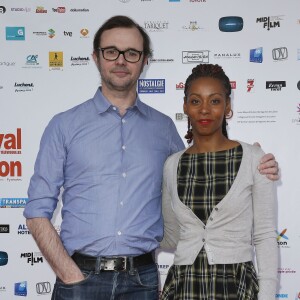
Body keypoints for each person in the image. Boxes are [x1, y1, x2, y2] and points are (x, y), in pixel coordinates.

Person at [23, 16, 279, 300]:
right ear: (96, 57)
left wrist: (253, 161)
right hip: (80, 280)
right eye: (112, 51)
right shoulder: (64, 126)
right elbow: (37, 211)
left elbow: (197, 171)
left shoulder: (164, 128)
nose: (121, 60)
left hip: (142, 282)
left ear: (144, 61)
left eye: (132, 53)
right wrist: (71, 276)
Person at [160, 64, 278, 300]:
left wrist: (266, 294)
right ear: (185, 107)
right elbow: (171, 235)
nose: (204, 109)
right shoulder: (171, 165)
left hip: (235, 284)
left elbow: (265, 235)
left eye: (214, 101)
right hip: (184, 285)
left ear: (228, 107)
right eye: (195, 101)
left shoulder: (254, 158)